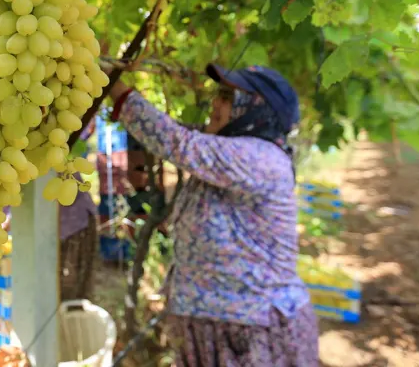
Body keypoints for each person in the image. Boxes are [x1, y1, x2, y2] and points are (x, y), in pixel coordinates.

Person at [106, 63, 318, 367]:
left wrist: (114, 87)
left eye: (227, 96)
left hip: (253, 334)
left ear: (256, 110)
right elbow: (175, 132)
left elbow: (176, 141)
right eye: (219, 93)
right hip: (217, 327)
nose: (215, 103)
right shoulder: (229, 154)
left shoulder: (261, 157)